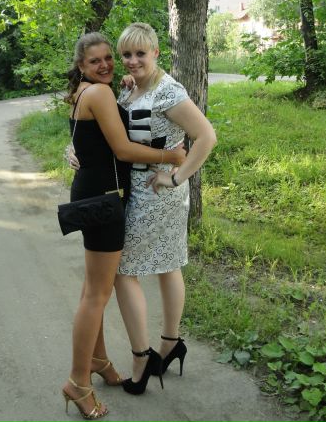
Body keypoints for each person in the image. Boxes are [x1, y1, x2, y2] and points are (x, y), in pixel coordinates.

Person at [61, 32, 187, 420]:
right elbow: (122, 149)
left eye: (108, 59)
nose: (105, 65)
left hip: (91, 194)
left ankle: (98, 359)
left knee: (91, 289)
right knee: (95, 296)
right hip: (104, 200)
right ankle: (78, 382)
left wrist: (127, 89)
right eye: (95, 61)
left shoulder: (86, 91)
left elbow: (89, 140)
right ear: (81, 65)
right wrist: (172, 156)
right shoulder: (99, 93)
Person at [113, 22, 217, 395]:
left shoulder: (168, 91)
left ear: (156, 52)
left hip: (157, 192)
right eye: (127, 54)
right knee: (168, 264)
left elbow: (206, 136)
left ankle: (143, 357)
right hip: (139, 188)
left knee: (123, 270)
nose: (132, 60)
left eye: (140, 53)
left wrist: (176, 177)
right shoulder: (133, 87)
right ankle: (170, 343)